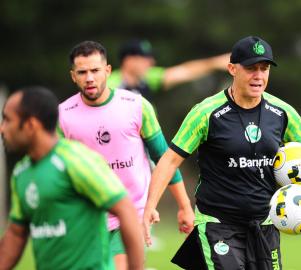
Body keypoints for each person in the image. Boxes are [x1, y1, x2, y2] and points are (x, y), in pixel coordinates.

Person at [143, 36, 301, 269]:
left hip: (265, 223)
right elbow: (169, 161)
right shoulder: (206, 113)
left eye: (264, 69)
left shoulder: (281, 112)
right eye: (251, 68)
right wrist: (150, 205)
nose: (259, 76)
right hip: (218, 223)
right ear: (232, 69)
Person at [58, 41, 194, 269]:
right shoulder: (62, 116)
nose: (89, 78)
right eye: (82, 72)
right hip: (86, 217)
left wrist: (184, 206)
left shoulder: (137, 106)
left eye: (95, 70)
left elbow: (164, 158)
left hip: (132, 214)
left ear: (108, 71)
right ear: (73, 76)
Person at [0, 86, 144, 270]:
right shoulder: (22, 173)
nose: (2, 129)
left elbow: (126, 210)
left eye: (7, 120)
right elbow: (16, 234)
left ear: (30, 125)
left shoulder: (77, 161)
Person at [107, 38, 230, 101]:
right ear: (128, 60)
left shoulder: (147, 78)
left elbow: (185, 72)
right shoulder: (110, 85)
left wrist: (215, 63)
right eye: (144, 58)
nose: (151, 62)